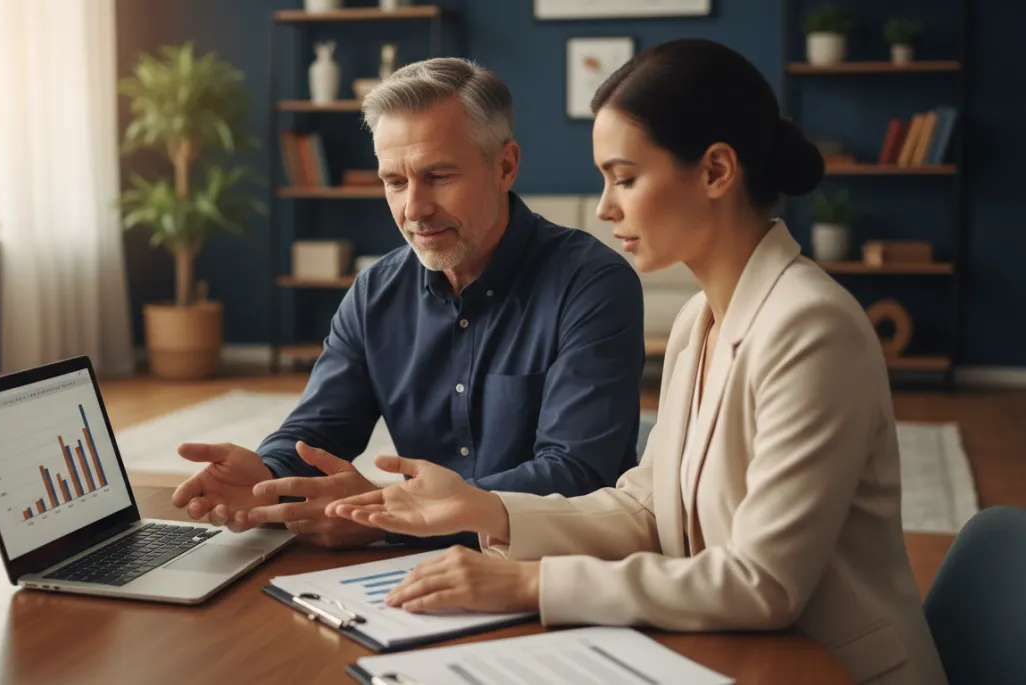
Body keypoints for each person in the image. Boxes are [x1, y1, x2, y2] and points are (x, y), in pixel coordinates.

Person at [324, 39, 949, 685]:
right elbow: (649, 510)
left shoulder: (812, 327)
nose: (604, 207)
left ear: (715, 171)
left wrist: (530, 583)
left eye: (624, 178)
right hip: (724, 653)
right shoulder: (698, 321)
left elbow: (763, 582)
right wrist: (482, 509)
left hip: (828, 668)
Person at [170, 57, 645, 549]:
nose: (413, 209)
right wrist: (267, 476)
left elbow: (577, 475)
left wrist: (390, 515)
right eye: (395, 182)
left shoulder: (592, 285)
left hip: (556, 563)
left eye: (438, 176)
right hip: (416, 571)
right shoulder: (375, 292)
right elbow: (320, 429)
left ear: (505, 166)